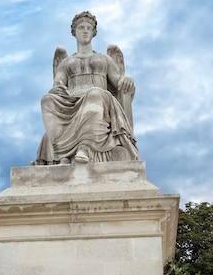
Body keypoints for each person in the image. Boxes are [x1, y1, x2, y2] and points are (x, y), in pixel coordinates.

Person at [33, 11, 139, 165]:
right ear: (74, 32)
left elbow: (118, 82)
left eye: (88, 28)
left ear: (93, 32)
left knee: (94, 94)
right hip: (71, 102)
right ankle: (61, 154)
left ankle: (85, 148)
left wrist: (128, 79)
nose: (85, 31)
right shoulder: (66, 63)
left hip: (99, 99)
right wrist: (58, 91)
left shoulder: (105, 59)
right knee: (46, 100)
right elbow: (57, 85)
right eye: (81, 27)